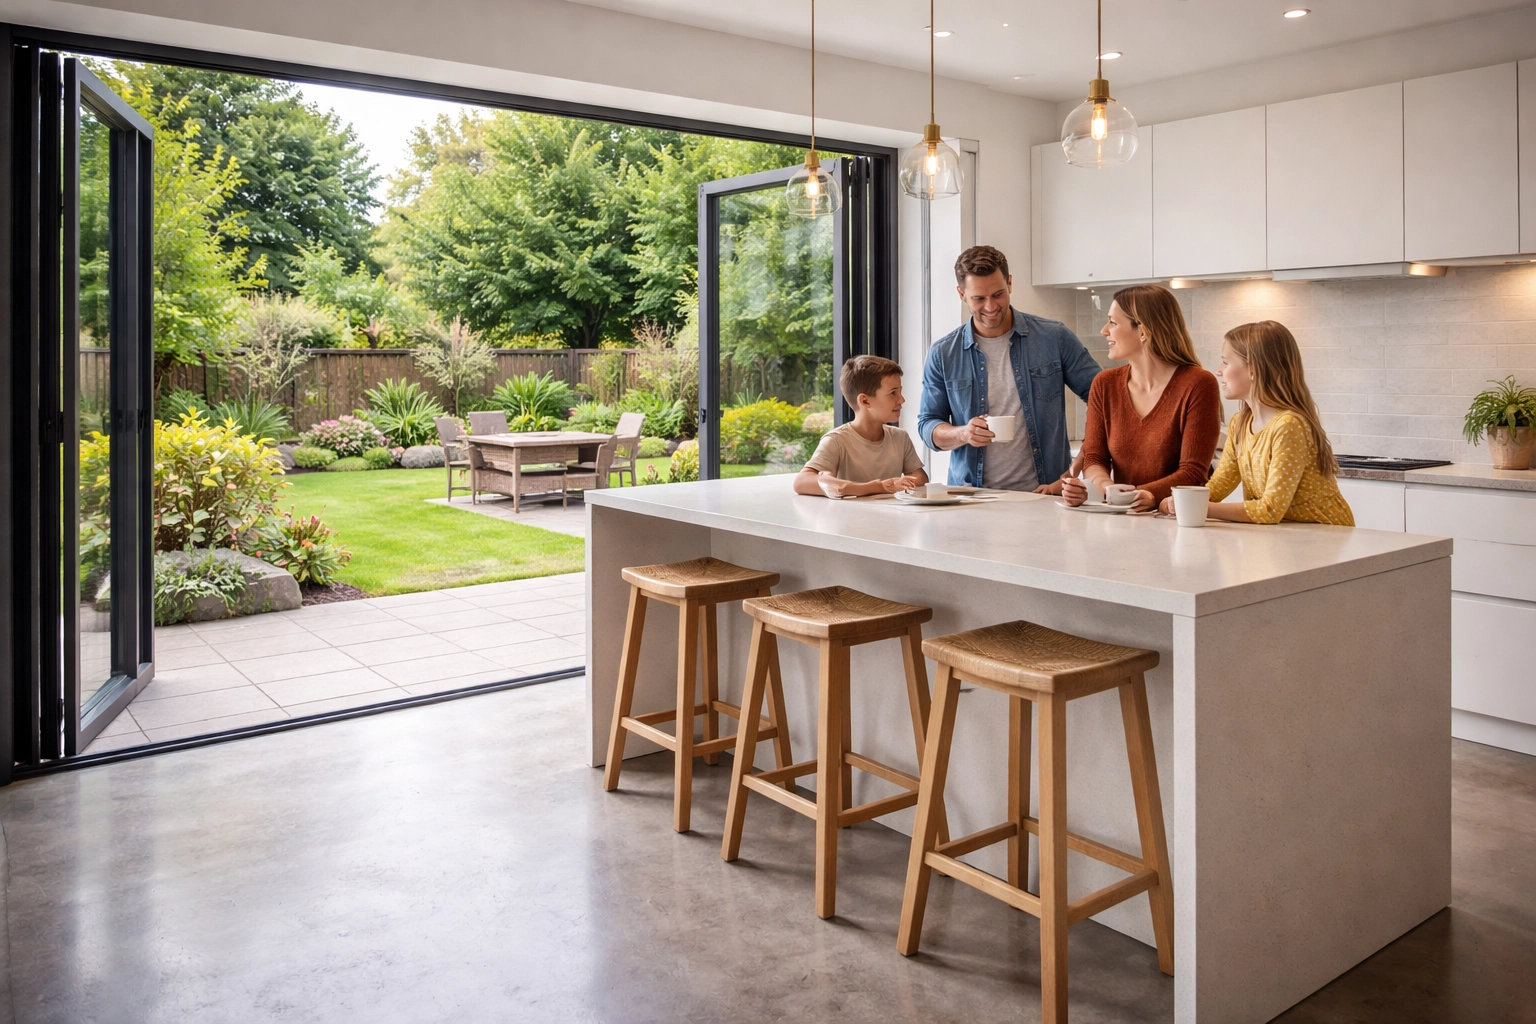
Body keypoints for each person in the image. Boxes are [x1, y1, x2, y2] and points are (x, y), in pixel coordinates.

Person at [918, 245, 1100, 492]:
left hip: (1043, 494)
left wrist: (1082, 459)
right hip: (973, 498)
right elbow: (928, 425)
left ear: (1010, 283)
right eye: (979, 298)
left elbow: (1103, 396)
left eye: (998, 294)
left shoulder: (1054, 337)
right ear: (961, 294)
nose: (991, 306)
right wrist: (963, 434)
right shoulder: (943, 353)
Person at [1159, 320, 1354, 526]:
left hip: (1327, 536)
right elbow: (1219, 485)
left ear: (1253, 368)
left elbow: (1269, 511)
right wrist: (1179, 501)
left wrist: (1197, 508)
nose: (1218, 371)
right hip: (1290, 536)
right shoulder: (1240, 424)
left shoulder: (1288, 425)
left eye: (1225, 362)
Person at [1061, 285, 1221, 511]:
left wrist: (1146, 495)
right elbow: (1094, 458)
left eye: (1113, 323)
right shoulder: (1104, 384)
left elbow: (1193, 473)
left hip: (1181, 521)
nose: (1104, 330)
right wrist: (1105, 488)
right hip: (1125, 519)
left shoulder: (1198, 384)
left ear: (1143, 331)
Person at [794, 355, 927, 497]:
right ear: (865, 401)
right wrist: (877, 487)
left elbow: (921, 478)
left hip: (890, 517)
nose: (902, 399)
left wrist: (897, 484)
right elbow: (801, 482)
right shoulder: (837, 441)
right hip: (848, 518)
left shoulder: (900, 437)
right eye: (893, 393)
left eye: (900, 391)